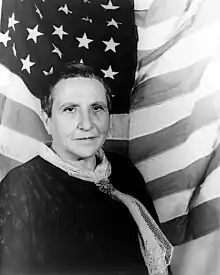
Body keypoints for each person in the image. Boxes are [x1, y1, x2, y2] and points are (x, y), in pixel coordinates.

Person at [0, 62, 172, 275]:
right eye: (70, 109)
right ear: (47, 120)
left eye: (97, 108)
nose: (87, 124)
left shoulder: (124, 171)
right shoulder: (22, 186)